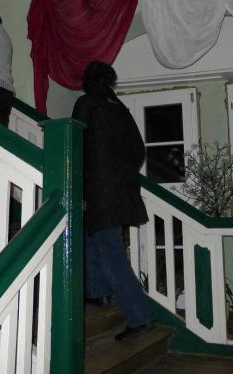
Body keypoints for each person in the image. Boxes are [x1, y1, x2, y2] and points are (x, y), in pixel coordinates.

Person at [72, 61, 153, 342]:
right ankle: (98, 292)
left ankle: (139, 316)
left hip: (98, 193)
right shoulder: (119, 108)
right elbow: (138, 150)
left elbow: (75, 143)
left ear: (87, 81)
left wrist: (82, 180)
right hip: (121, 192)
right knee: (92, 240)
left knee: (111, 252)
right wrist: (120, 175)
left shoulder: (86, 104)